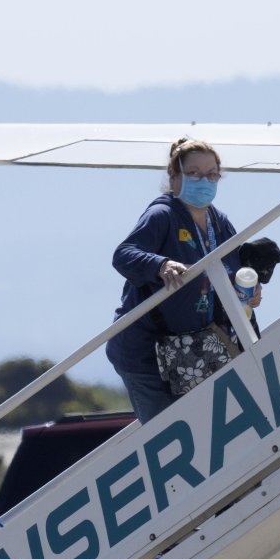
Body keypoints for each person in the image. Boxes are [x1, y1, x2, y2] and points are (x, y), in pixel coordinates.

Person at [106, 138, 265, 423]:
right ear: (174, 175)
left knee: (204, 426)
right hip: (146, 353)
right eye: (194, 173)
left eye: (211, 174)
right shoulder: (162, 215)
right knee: (167, 432)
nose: (203, 181)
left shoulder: (219, 222)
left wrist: (251, 291)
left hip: (191, 352)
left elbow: (232, 271)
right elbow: (123, 254)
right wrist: (161, 264)